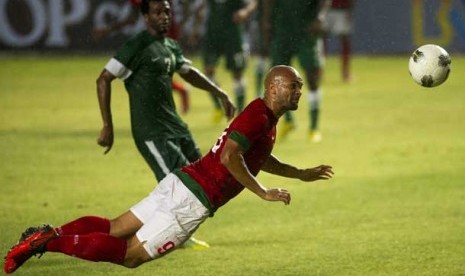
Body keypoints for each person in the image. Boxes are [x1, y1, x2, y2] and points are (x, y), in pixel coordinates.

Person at [4, 65, 334, 274]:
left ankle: (47, 236)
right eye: (294, 86)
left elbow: (255, 159)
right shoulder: (259, 115)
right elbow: (230, 157)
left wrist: (301, 173)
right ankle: (45, 241)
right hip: (193, 200)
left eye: (300, 87)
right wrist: (262, 192)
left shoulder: (264, 118)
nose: (299, 92)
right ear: (273, 88)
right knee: (131, 255)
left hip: (182, 181)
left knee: (116, 226)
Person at [96, 0, 235, 249]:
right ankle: (171, 236)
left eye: (168, 12)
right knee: (177, 186)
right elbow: (103, 79)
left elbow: (188, 73)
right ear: (145, 16)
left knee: (202, 177)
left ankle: (159, 230)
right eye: (158, 12)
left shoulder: (170, 45)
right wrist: (108, 125)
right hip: (152, 132)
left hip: (176, 127)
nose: (164, 17)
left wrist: (220, 93)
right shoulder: (135, 47)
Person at [92, 0, 193, 114]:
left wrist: (183, 24)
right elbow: (132, 19)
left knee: (154, 72)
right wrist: (108, 30)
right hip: (152, 35)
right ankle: (178, 93)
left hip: (167, 34)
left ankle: (173, 99)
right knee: (153, 72)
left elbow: (183, 6)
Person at [264, 0, 330, 142]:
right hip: (282, 28)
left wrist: (321, 16)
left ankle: (314, 128)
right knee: (278, 78)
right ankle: (288, 120)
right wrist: (267, 21)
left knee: (312, 79)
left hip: (306, 29)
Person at [199, 0, 257, 122]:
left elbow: (252, 2)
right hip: (213, 32)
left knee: (237, 74)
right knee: (208, 71)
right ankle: (219, 106)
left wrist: (245, 11)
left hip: (232, 33)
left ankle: (241, 112)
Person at [322, 0, 355, 82]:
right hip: (325, 10)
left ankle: (345, 73)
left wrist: (350, 10)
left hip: (342, 10)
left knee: (345, 40)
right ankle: (318, 73)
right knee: (320, 42)